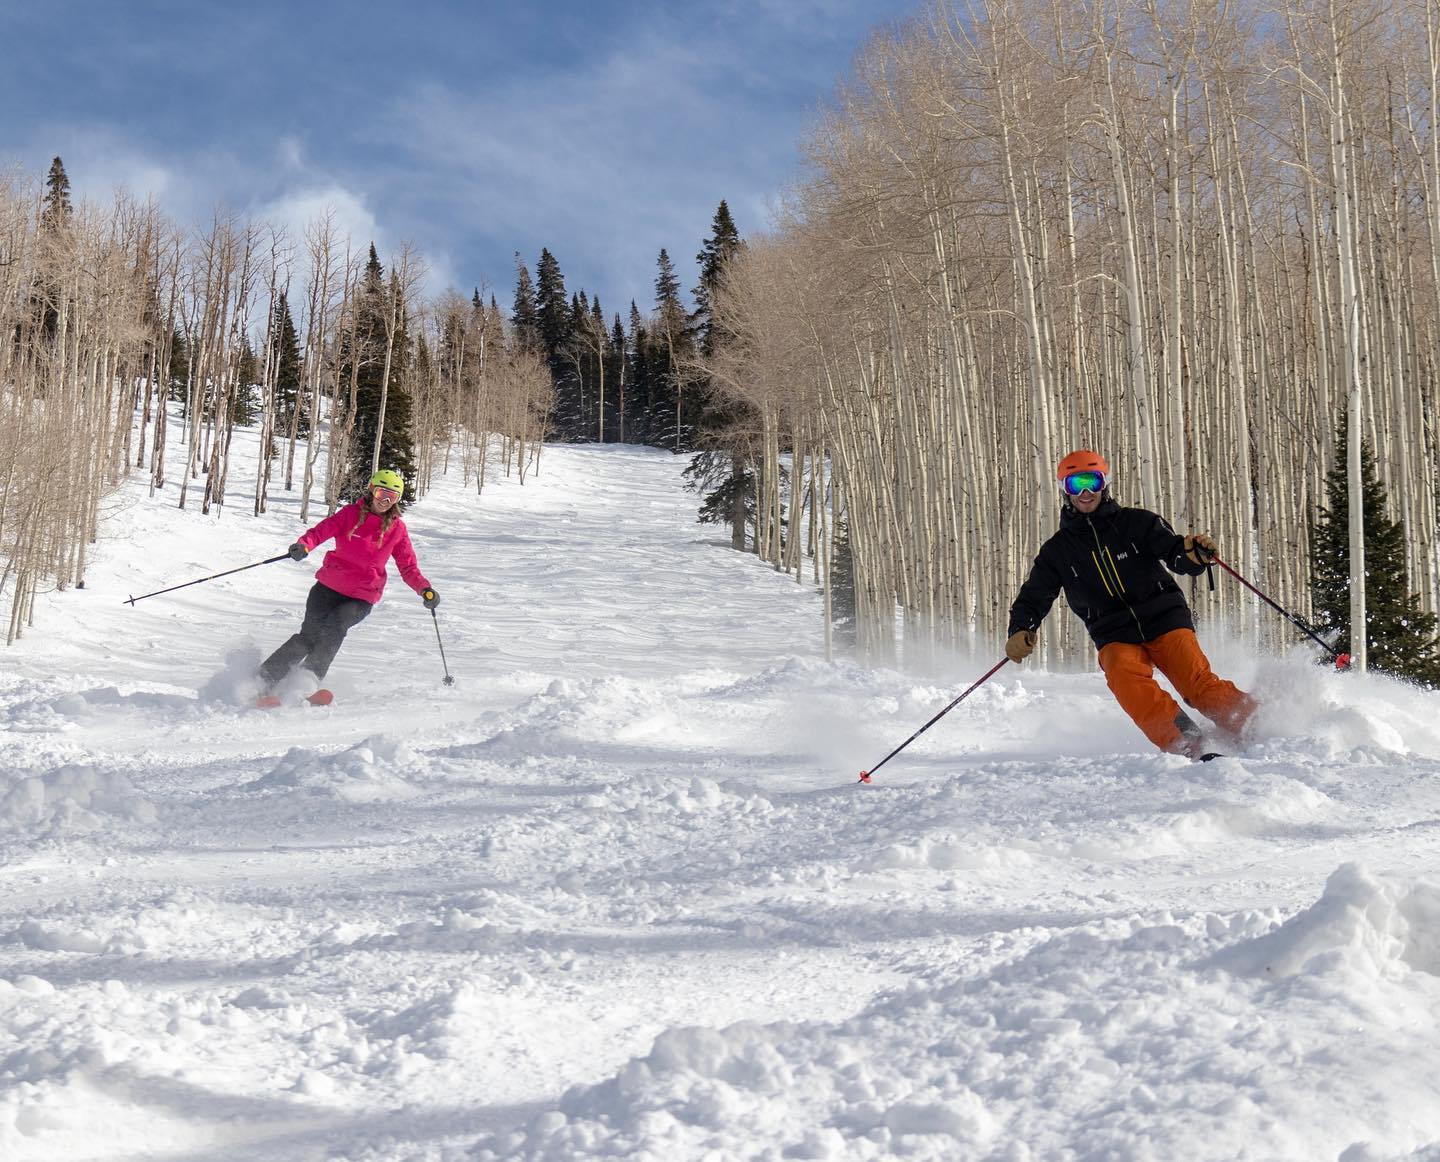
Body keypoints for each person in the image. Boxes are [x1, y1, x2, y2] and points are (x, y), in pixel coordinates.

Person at [1004, 450, 1256, 758]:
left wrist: (1193, 555)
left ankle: (1256, 722)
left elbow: (1176, 553)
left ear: (1104, 484)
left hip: (1164, 617)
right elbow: (1034, 595)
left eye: (1092, 482)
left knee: (1197, 684)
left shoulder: (1136, 523)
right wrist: (1020, 628)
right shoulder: (1057, 551)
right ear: (1064, 490)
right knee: (1125, 678)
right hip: (1113, 633)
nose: (1085, 493)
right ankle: (1188, 742)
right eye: (1075, 485)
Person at [256, 469, 439, 706]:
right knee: (308, 637)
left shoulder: (397, 530)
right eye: (382, 493)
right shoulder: (350, 514)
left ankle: (305, 683)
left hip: (361, 597)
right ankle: (261, 682)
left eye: (391, 497)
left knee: (335, 627)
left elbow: (408, 567)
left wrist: (424, 589)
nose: (385, 501)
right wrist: (304, 545)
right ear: (372, 490)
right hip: (327, 588)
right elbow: (322, 531)